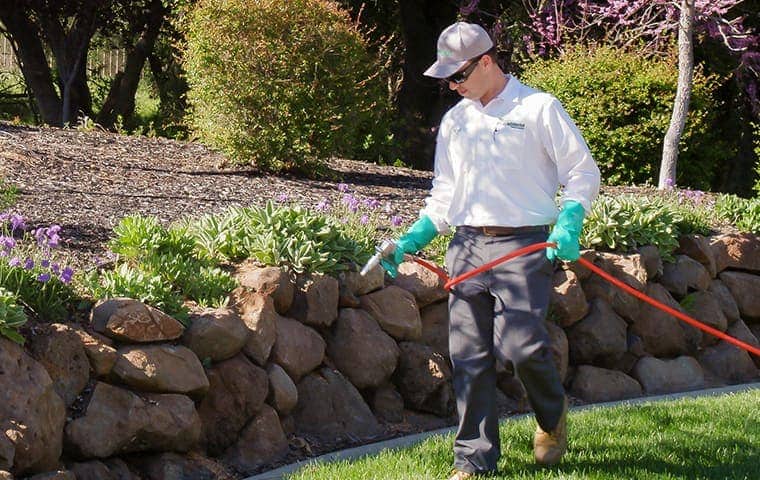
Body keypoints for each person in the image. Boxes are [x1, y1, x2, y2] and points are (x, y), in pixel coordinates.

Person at [380, 22, 600, 479]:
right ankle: (473, 462)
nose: (453, 86)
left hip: (524, 245)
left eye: (458, 75)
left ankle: (551, 414)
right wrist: (415, 237)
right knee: (469, 356)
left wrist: (570, 219)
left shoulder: (538, 108)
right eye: (447, 79)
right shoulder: (457, 120)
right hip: (467, 246)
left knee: (521, 346)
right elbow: (445, 191)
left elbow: (581, 171)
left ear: (486, 61)